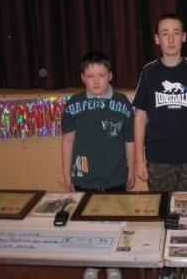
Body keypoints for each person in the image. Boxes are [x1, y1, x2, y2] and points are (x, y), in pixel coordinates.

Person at [61, 51, 134, 279]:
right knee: (87, 222)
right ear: (82, 77)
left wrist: (130, 169)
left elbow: (130, 141)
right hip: (84, 177)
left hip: (115, 176)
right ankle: (92, 263)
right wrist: (66, 175)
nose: (96, 80)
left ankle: (113, 263)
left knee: (114, 221)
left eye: (101, 75)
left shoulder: (122, 102)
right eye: (90, 75)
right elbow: (67, 142)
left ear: (110, 75)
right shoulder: (73, 104)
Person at [133, 13, 187, 193]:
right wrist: (138, 158)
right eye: (164, 33)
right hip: (158, 159)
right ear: (157, 39)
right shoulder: (149, 71)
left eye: (176, 33)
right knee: (161, 209)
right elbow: (140, 117)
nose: (171, 39)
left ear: (183, 37)